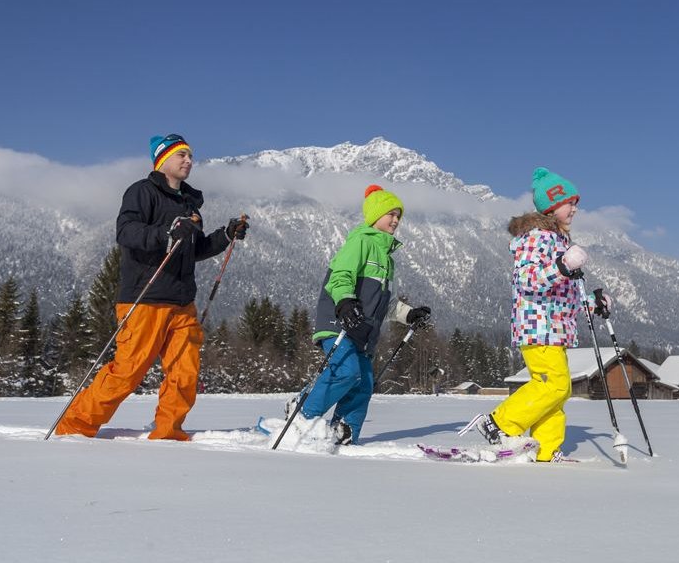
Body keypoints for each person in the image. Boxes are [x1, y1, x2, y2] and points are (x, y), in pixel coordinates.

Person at [55, 133, 249, 440]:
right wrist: (166, 233)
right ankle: (74, 427)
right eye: (181, 155)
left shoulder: (189, 203)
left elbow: (192, 249)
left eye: (190, 156)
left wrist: (225, 235)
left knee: (184, 373)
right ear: (162, 160)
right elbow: (127, 232)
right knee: (127, 373)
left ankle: (168, 434)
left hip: (182, 303)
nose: (189, 160)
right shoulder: (142, 192)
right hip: (145, 299)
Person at [464, 167, 610, 462]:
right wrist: (563, 267)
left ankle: (545, 450)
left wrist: (593, 304)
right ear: (553, 205)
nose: (575, 210)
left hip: (555, 327)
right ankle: (500, 423)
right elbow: (527, 280)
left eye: (576, 203)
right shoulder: (536, 238)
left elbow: (566, 291)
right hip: (538, 325)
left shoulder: (559, 241)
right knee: (554, 385)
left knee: (557, 392)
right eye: (571, 203)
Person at [292, 184, 430, 445]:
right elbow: (340, 277)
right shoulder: (361, 241)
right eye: (391, 213)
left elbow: (386, 304)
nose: (396, 220)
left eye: (399, 215)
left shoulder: (388, 260)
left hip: (363, 333)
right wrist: (344, 302)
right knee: (346, 371)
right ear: (375, 214)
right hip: (339, 322)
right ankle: (301, 415)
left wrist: (410, 315)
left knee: (363, 383)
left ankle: (343, 433)